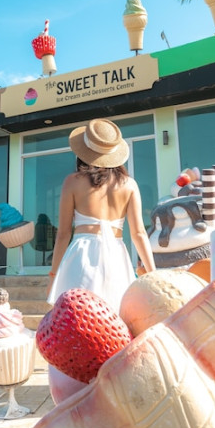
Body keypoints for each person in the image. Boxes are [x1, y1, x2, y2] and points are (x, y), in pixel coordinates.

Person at [46, 118, 156, 314]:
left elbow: (63, 234)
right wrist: (152, 273)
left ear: (83, 152)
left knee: (78, 316)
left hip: (81, 254)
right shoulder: (129, 184)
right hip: (116, 254)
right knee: (115, 315)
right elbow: (139, 233)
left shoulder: (72, 182)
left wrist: (53, 275)